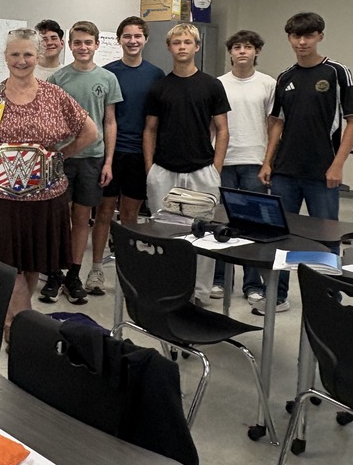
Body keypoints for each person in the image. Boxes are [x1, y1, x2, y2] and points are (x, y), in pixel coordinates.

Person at [0, 28, 97, 339]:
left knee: (32, 263)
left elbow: (90, 132)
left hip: (45, 196)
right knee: (8, 265)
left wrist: (62, 154)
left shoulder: (54, 94)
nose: (21, 61)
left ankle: (13, 323)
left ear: (38, 57)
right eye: (15, 55)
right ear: (6, 58)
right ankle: (20, 325)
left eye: (28, 54)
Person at [258, 12, 353, 312]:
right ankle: (277, 296)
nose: (302, 42)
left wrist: (338, 164)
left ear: (320, 37)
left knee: (326, 238)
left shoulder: (337, 72)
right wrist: (268, 163)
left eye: (309, 35)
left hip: (322, 172)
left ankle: (329, 298)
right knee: (281, 235)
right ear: (289, 38)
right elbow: (276, 122)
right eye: (296, 36)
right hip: (285, 172)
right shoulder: (285, 77)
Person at [143, 23, 229, 304]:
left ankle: (199, 293)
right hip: (164, 171)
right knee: (164, 233)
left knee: (202, 234)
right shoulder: (159, 87)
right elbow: (150, 130)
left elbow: (222, 129)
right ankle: (166, 287)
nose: (182, 46)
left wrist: (215, 169)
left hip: (202, 171)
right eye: (176, 42)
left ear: (196, 46)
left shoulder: (212, 85)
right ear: (169, 48)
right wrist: (150, 170)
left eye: (187, 42)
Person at [46, 21, 121, 303]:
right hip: (62, 159)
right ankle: (55, 273)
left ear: (97, 45)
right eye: (77, 42)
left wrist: (108, 161)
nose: (83, 47)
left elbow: (109, 121)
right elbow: (50, 122)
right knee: (59, 219)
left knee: (81, 219)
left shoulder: (107, 79)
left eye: (88, 42)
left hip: (93, 159)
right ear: (70, 45)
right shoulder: (58, 79)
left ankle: (74, 274)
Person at [89, 17, 164, 294]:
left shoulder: (156, 75)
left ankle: (127, 270)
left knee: (131, 215)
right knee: (104, 213)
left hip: (139, 155)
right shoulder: (108, 73)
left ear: (145, 39)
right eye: (127, 36)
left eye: (138, 36)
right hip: (110, 155)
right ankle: (96, 270)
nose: (133, 41)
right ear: (119, 40)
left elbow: (156, 122)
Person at [213, 31, 275, 304]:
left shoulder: (268, 84)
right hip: (223, 161)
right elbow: (212, 125)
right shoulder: (218, 84)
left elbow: (274, 126)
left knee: (252, 226)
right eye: (236, 47)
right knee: (221, 223)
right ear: (230, 52)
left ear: (257, 52)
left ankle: (252, 283)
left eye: (247, 47)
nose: (241, 52)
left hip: (254, 162)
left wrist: (268, 161)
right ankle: (219, 279)